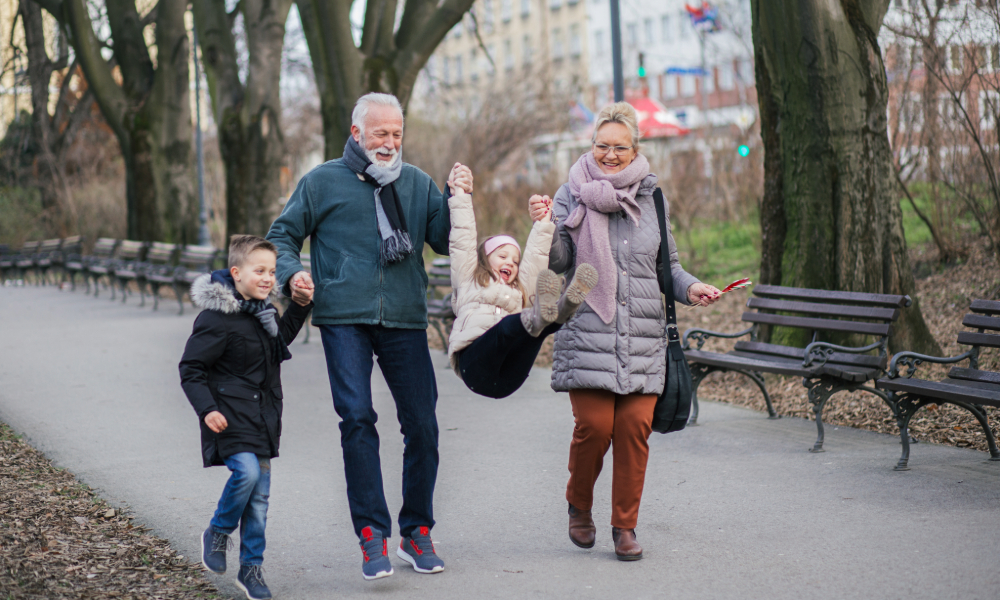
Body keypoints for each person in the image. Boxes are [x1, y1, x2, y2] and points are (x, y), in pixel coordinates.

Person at [266, 93, 472, 580]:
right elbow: (282, 235)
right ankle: (371, 534)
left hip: (404, 316)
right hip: (343, 316)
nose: (390, 143)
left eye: (397, 133)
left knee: (422, 423)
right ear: (356, 133)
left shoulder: (417, 183)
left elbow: (445, 241)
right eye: (380, 133)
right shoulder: (322, 181)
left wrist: (457, 196)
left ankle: (416, 531)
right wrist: (292, 274)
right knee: (357, 418)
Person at [531, 102, 721, 561]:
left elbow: (667, 266)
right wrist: (545, 226)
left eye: (620, 147)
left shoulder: (653, 197)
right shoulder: (569, 194)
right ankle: (579, 504)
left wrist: (691, 287)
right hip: (587, 331)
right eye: (602, 146)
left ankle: (624, 526)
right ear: (590, 146)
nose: (610, 155)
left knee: (635, 427)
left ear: (635, 148)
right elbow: (555, 263)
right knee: (594, 427)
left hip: (642, 337)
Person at [179, 235, 314, 600]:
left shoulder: (264, 312)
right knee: (248, 473)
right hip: (229, 415)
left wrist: (300, 307)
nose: (269, 278)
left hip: (264, 415)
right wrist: (207, 410)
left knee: (259, 499)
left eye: (271, 271)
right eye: (260, 271)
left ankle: (251, 568)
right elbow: (191, 368)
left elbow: (279, 343)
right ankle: (219, 531)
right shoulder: (216, 318)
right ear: (236, 273)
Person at [447, 188, 598, 399]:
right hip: (475, 366)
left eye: (515, 262)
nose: (510, 262)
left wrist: (545, 223)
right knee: (510, 326)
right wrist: (460, 195)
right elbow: (462, 237)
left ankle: (565, 307)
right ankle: (539, 316)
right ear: (484, 258)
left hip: (509, 377)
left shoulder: (520, 290)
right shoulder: (468, 279)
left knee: (538, 328)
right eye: (502, 256)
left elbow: (536, 255)